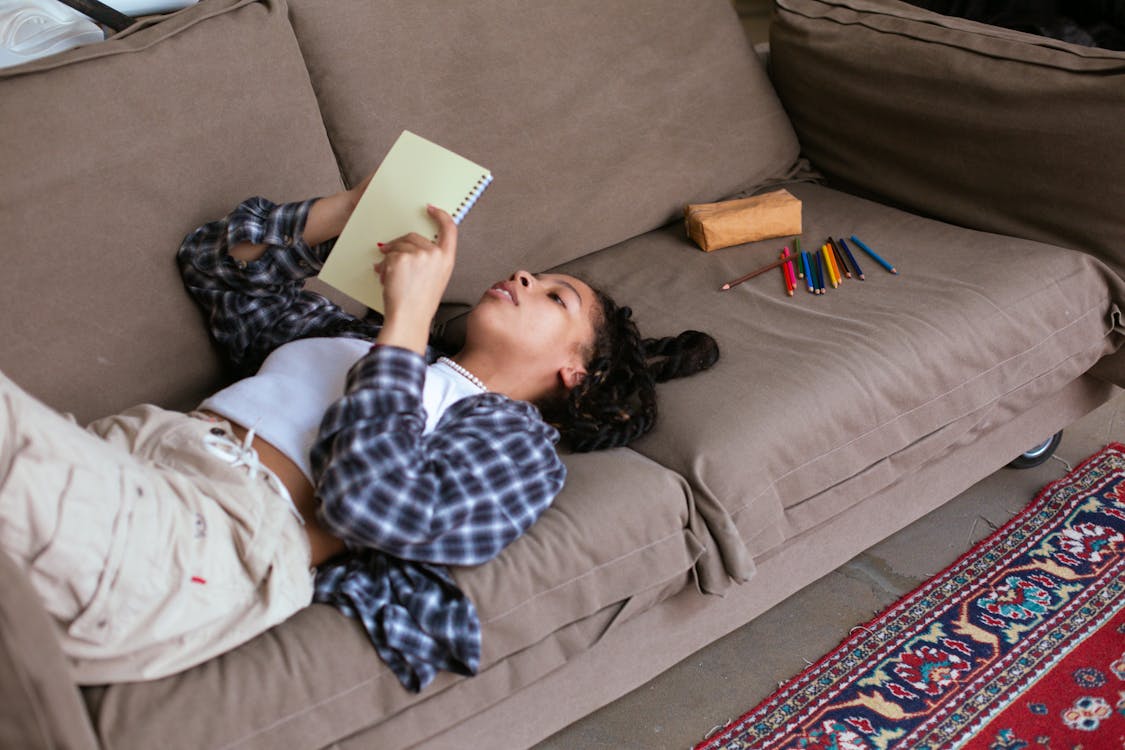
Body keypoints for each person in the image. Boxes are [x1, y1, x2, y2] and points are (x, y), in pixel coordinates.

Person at [0, 176, 718, 692]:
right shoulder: (352, 339)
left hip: (211, 534)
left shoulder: (518, 450)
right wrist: (358, 206)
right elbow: (217, 267)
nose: (525, 274)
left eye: (556, 296)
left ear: (575, 373)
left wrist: (408, 321)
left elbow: (373, 507)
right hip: (125, 451)